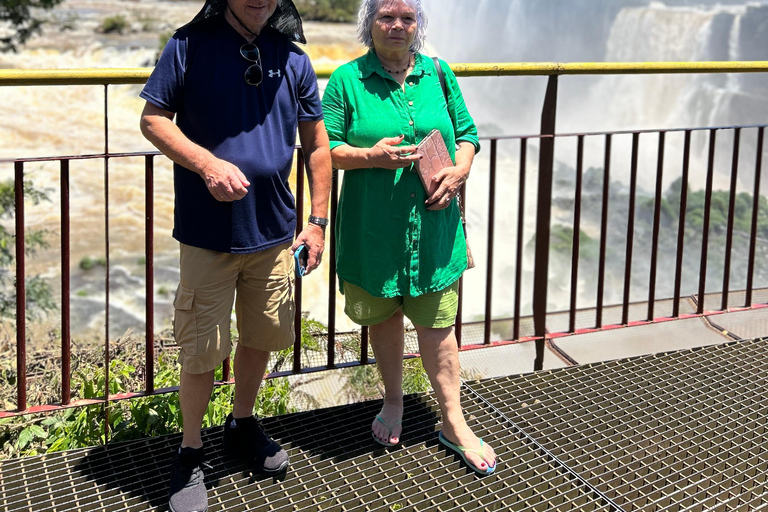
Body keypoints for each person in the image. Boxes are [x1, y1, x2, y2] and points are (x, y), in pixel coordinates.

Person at [139, 0, 332, 510]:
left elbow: (315, 143)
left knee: (264, 333)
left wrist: (316, 221)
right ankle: (190, 451)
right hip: (209, 235)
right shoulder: (189, 44)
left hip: (274, 233)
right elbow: (154, 120)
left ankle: (241, 423)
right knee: (203, 347)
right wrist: (206, 164)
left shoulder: (293, 58)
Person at [321, 0, 497, 476]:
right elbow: (327, 150)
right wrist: (369, 156)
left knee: (438, 325)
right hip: (373, 228)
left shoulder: (439, 73)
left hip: (434, 228)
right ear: (370, 24)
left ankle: (454, 421)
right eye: (386, 16)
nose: (397, 26)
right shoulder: (346, 80)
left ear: (418, 26)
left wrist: (460, 169)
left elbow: (467, 133)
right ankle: (394, 401)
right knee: (383, 316)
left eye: (407, 18)